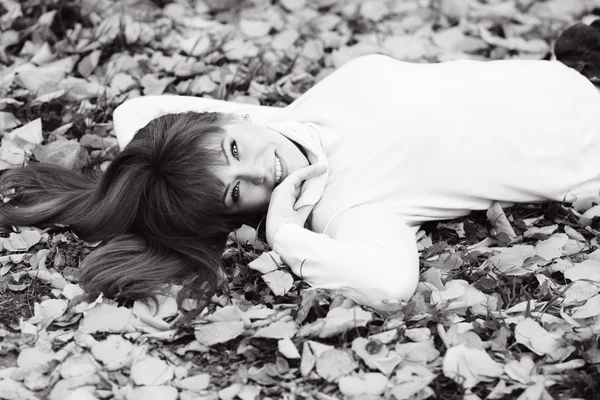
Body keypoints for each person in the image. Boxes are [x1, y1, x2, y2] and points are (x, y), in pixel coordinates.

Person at [2, 22, 600, 311]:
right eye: (239, 194)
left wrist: (140, 176)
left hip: (569, 67)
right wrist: (286, 233)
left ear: (226, 119)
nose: (262, 171)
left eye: (235, 150)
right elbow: (391, 288)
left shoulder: (289, 117)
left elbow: (140, 112)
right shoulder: (351, 208)